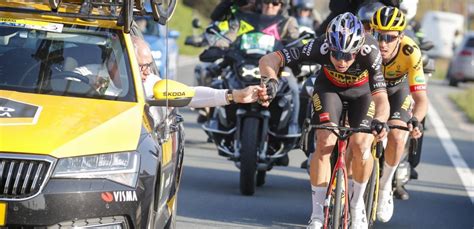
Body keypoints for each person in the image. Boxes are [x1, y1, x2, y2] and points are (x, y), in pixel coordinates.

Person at [258, 12, 390, 229]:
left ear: (358, 50)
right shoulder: (320, 46)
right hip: (329, 90)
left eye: (348, 55)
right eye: (337, 54)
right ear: (329, 46)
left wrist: (380, 120)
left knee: (361, 145)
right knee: (324, 141)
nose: (342, 61)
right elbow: (270, 59)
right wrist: (270, 80)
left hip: (362, 95)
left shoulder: (370, 51)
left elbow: (381, 98)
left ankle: (357, 207)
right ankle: (317, 213)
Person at [370, 6, 428, 222]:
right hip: (369, 91)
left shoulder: (410, 52)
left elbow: (421, 99)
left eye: (390, 37)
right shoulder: (364, 46)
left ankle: (385, 188)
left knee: (397, 135)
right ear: (371, 32)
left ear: (401, 36)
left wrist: (415, 120)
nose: (383, 43)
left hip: (397, 91)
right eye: (378, 35)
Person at [131, 36, 263, 107]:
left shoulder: (151, 83)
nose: (147, 72)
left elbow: (192, 95)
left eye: (149, 65)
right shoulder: (109, 85)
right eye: (142, 66)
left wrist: (236, 95)